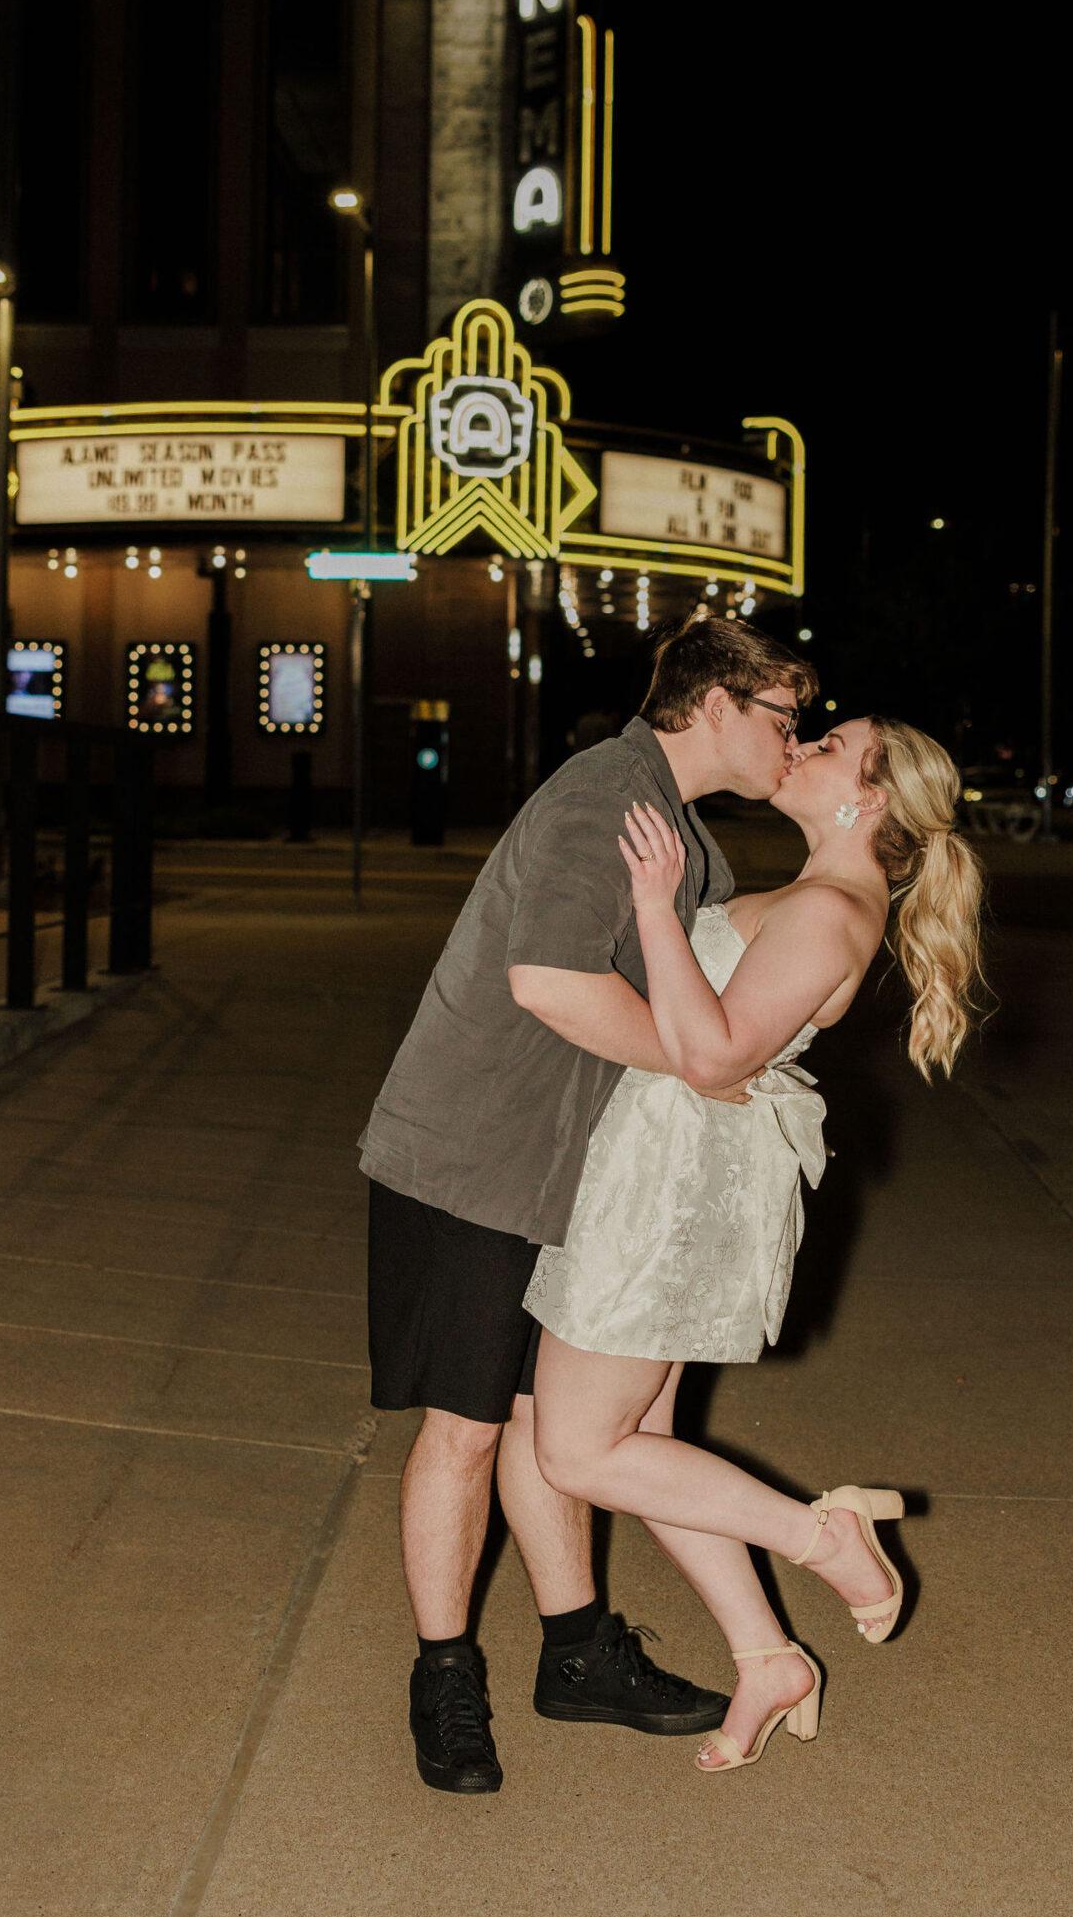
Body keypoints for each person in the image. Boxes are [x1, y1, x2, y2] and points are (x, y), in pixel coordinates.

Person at [358, 618, 817, 1794]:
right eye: (781, 715)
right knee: (464, 1428)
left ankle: (577, 1655)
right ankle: (444, 1672)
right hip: (474, 1156)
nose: (792, 738)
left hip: (579, 1175)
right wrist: (700, 1062)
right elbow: (550, 981)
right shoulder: (605, 797)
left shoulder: (693, 847)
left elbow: (723, 965)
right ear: (715, 705)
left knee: (546, 1423)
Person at [525, 715, 985, 1773]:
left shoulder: (830, 909)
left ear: (865, 798)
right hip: (664, 1171)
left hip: (670, 1188)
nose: (806, 745)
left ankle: (820, 1536)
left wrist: (653, 908)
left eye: (829, 744)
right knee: (647, 1446)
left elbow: (714, 1051)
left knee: (578, 1448)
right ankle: (766, 1653)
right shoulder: (817, 895)